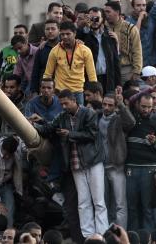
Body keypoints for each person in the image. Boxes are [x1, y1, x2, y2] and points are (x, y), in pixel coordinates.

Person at [35, 90, 108, 237]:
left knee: (98, 201)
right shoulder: (62, 116)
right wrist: (32, 124)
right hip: (75, 164)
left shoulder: (88, 113)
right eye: (61, 104)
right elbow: (48, 129)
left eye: (66, 103)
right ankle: (88, 235)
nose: (63, 106)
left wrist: (70, 135)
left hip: (92, 161)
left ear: (74, 100)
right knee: (83, 202)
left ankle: (102, 234)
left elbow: (92, 134)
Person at [126, 93, 156, 230]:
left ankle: (148, 237)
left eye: (149, 107)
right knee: (131, 207)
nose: (146, 109)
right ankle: (133, 237)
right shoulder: (130, 120)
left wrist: (155, 141)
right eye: (143, 106)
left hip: (149, 169)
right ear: (137, 104)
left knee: (147, 207)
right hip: (131, 168)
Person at [98, 92, 136, 228]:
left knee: (120, 204)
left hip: (116, 166)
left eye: (110, 105)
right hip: (100, 167)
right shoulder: (97, 116)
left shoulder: (119, 119)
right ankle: (106, 234)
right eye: (104, 104)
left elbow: (131, 122)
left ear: (115, 107)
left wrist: (121, 104)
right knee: (103, 203)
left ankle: (121, 235)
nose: (106, 108)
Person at [44, 21, 97, 105]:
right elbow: (48, 74)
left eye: (68, 34)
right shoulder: (54, 51)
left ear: (75, 33)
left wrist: (93, 96)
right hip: (60, 92)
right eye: (62, 34)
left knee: (78, 117)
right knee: (59, 117)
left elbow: (92, 75)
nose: (65, 37)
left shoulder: (85, 50)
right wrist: (47, 92)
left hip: (78, 92)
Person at [80, 6, 122, 93]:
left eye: (97, 18)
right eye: (92, 18)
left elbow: (115, 61)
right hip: (90, 78)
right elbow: (79, 37)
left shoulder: (110, 37)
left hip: (107, 78)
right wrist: (86, 25)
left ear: (102, 19)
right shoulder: (84, 35)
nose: (94, 21)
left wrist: (118, 83)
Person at [104, 0, 142, 83]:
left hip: (125, 70)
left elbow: (137, 50)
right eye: (104, 12)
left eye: (108, 12)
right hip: (106, 69)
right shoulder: (102, 27)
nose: (105, 14)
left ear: (117, 12)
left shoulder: (130, 28)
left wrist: (136, 71)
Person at [29, 19, 60, 94]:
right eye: (47, 29)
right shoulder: (41, 49)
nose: (50, 31)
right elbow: (35, 72)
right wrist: (34, 91)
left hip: (62, 89)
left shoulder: (65, 46)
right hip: (45, 90)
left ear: (59, 30)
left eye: (53, 29)